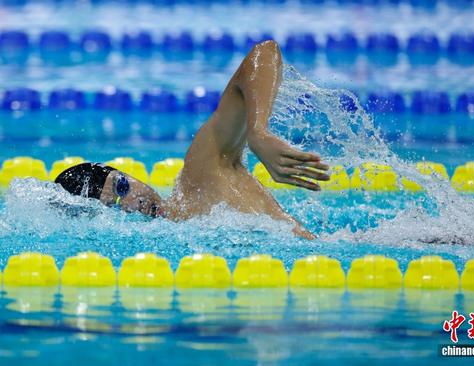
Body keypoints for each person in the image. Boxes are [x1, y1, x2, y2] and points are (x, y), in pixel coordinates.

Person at [55, 41, 330, 239]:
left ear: (130, 175)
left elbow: (264, 53)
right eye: (114, 209)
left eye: (123, 186)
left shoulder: (199, 178)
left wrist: (258, 132)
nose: (132, 204)